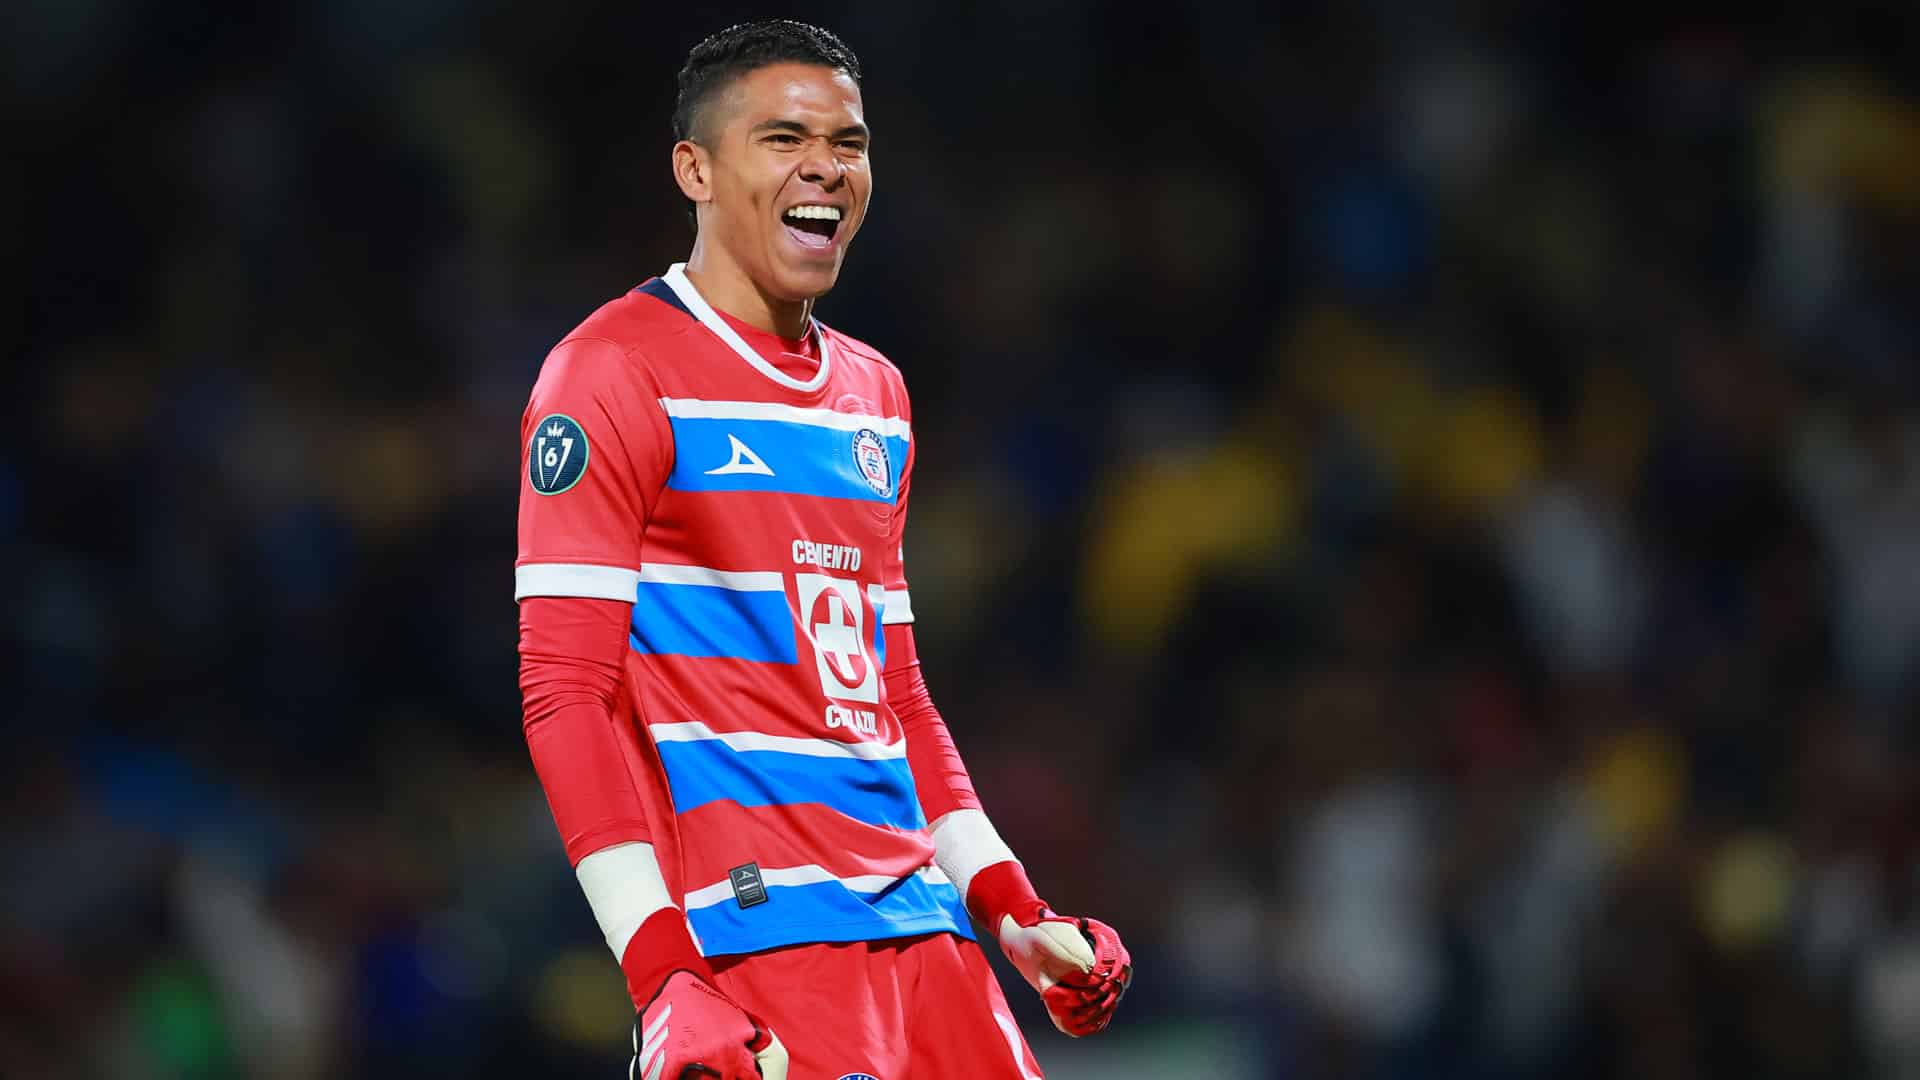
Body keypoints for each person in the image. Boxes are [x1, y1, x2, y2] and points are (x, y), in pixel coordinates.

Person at [513, 18, 1131, 1079]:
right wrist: (661, 976)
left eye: (849, 143)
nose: (826, 168)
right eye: (784, 138)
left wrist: (1010, 905)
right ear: (696, 170)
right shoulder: (610, 372)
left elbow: (893, 696)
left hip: (928, 934)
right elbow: (566, 694)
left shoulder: (875, 397)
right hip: (759, 942)